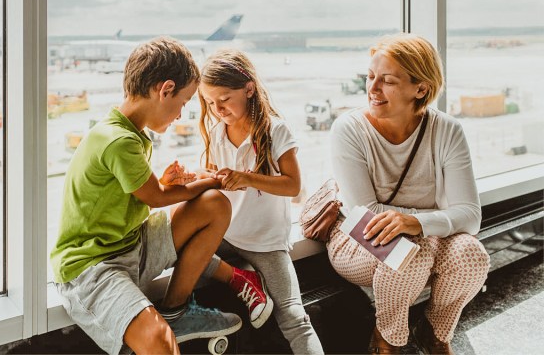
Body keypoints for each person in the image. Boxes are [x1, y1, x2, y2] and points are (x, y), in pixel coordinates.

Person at [50, 37, 249, 355]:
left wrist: (168, 183)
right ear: (165, 89)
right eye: (183, 102)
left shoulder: (131, 134)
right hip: (93, 266)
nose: (181, 114)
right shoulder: (118, 140)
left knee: (213, 207)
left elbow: (138, 193)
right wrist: (212, 182)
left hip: (130, 244)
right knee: (160, 343)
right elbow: (155, 199)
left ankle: (176, 310)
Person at [327, 33, 490, 355]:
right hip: (357, 238)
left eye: (386, 81)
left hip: (425, 237)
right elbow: (364, 212)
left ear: (421, 88)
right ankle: (388, 338)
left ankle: (435, 331)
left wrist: (415, 224)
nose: (372, 89)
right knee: (411, 256)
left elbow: (470, 215)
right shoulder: (349, 128)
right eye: (370, 77)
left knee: (472, 255)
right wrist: (426, 222)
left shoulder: (447, 130)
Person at [198, 49, 324, 354]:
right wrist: (189, 178)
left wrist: (248, 178)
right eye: (210, 103)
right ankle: (242, 278)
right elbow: (215, 178)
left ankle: (248, 279)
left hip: (266, 244)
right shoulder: (216, 133)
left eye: (224, 99)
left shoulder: (275, 129)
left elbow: (294, 186)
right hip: (226, 236)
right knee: (176, 251)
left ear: (249, 89)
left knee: (295, 318)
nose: (217, 109)